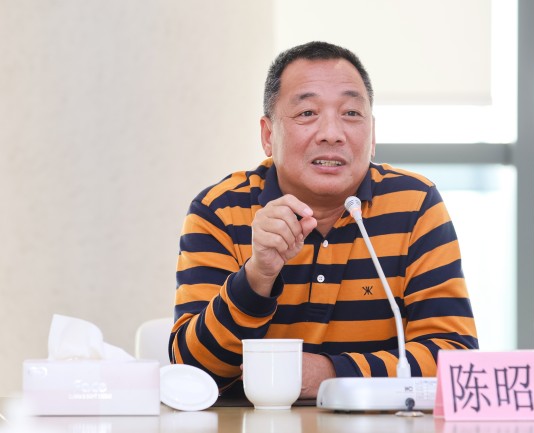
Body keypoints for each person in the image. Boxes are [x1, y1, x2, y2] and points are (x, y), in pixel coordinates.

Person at [170, 41, 478, 399]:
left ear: (373, 135)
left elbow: (455, 359)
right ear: (268, 135)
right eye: (307, 113)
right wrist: (257, 277)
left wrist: (331, 375)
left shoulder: (415, 204)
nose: (332, 133)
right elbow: (192, 373)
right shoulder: (220, 211)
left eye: (351, 113)